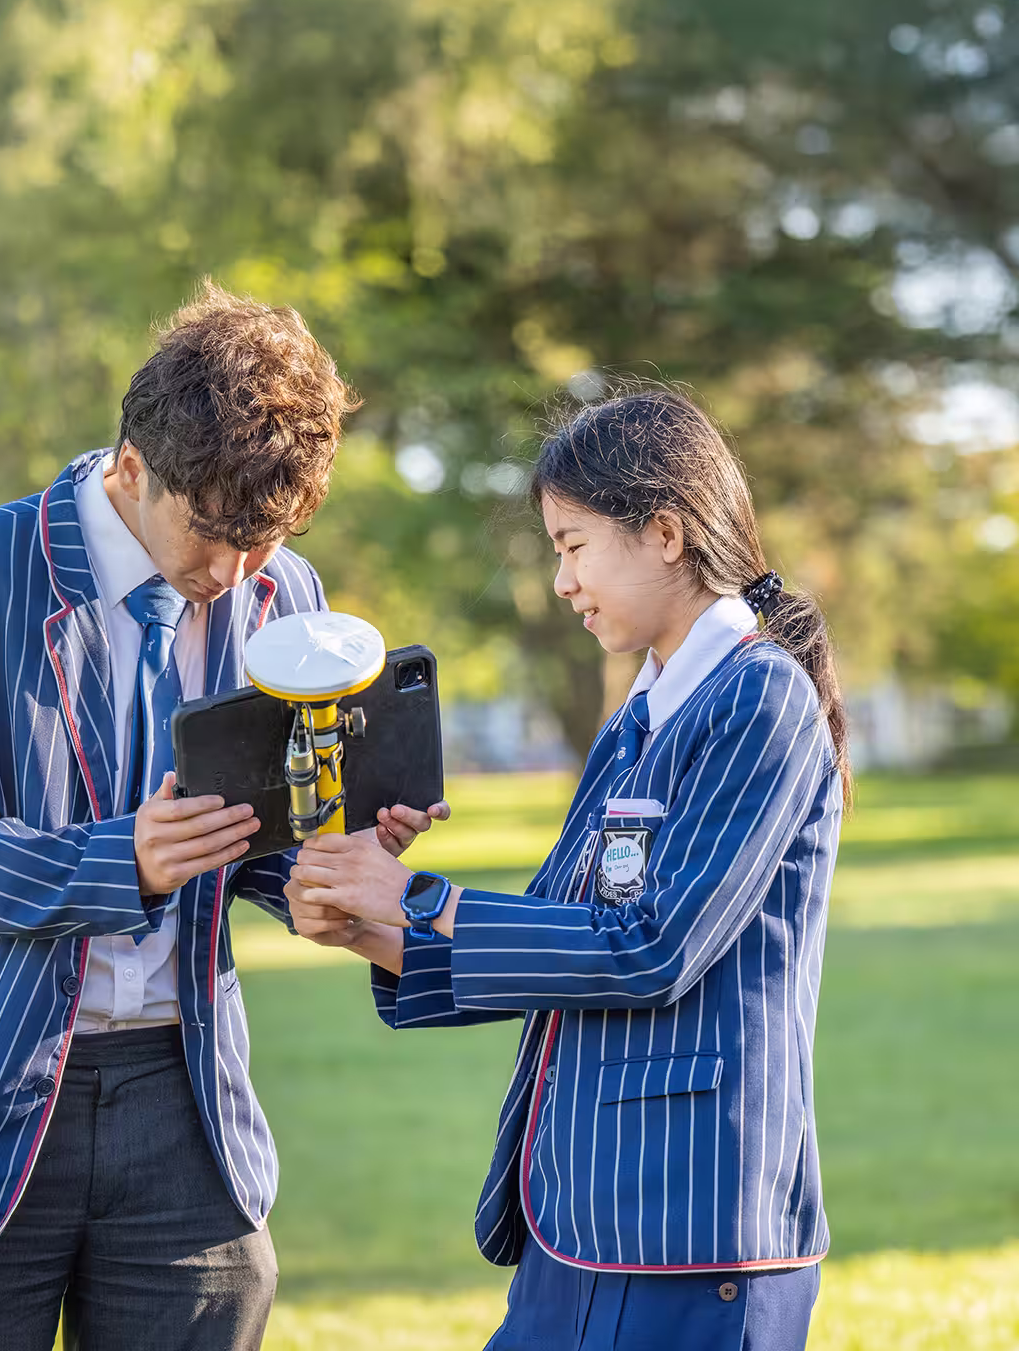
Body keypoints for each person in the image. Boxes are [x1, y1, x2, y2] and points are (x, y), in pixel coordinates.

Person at [0, 281, 444, 1351]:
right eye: (213, 535)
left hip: (184, 1099)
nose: (236, 575)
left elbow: (255, 833)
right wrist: (120, 864)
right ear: (131, 465)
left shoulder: (281, 592)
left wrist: (326, 859)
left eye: (270, 541)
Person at [289, 386, 842, 1350]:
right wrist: (368, 925)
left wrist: (421, 896)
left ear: (665, 532)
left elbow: (651, 950)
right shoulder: (638, 717)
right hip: (580, 1217)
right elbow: (560, 933)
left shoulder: (761, 701)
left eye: (573, 546)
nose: (561, 582)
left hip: (693, 1230)